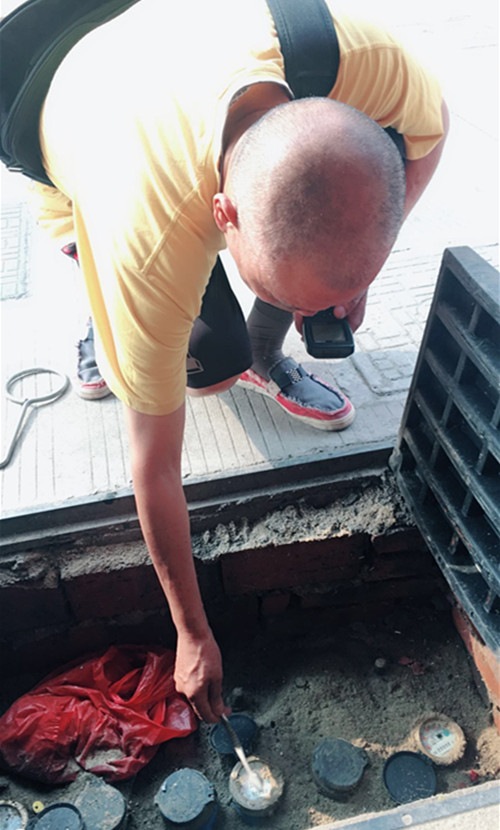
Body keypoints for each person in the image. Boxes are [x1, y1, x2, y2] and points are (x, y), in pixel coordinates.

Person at [31, 0, 448, 722]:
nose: (332, 318)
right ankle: (105, 314)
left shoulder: (369, 62)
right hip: (62, 100)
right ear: (223, 215)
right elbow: (154, 467)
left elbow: (429, 134)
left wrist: (352, 278)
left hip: (186, 53)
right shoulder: (149, 243)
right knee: (206, 372)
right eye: (306, 303)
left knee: (248, 336)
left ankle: (261, 338)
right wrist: (192, 633)